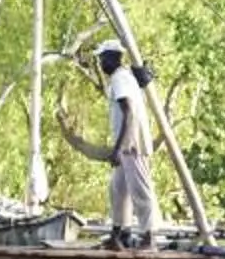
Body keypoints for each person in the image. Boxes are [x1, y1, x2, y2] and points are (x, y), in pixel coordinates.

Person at [58, 37, 158, 247]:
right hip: (125, 145)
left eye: (103, 59)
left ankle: (149, 237)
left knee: (140, 190)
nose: (101, 64)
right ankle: (119, 234)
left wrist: (119, 148)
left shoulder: (121, 79)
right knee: (118, 190)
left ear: (112, 58)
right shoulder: (123, 78)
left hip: (132, 144)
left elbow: (129, 113)